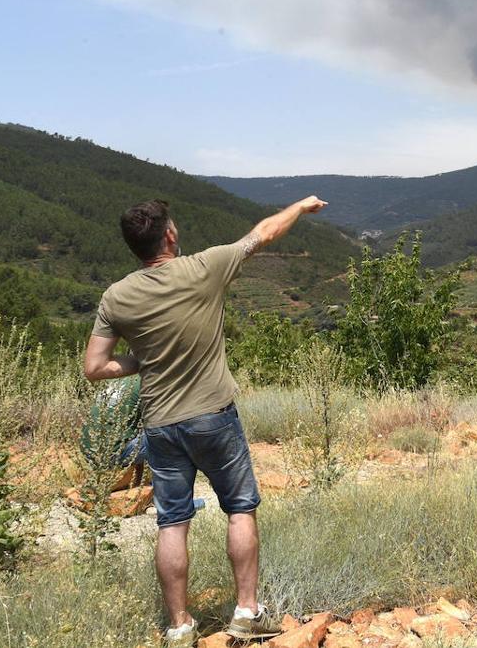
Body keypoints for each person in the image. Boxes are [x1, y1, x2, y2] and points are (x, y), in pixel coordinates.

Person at [84, 196, 327, 647]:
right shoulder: (205, 267)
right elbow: (264, 233)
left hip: (160, 423)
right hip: (214, 417)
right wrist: (301, 206)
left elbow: (95, 367)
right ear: (170, 235)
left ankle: (179, 627)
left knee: (172, 522)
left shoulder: (115, 297)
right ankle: (247, 613)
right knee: (239, 508)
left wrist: (139, 361)